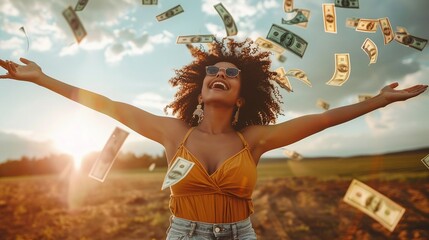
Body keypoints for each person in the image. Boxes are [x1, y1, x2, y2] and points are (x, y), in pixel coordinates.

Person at [0, 38, 427, 239]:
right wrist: (41, 79)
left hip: (242, 235)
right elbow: (105, 103)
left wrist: (380, 100)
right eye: (212, 72)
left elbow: (326, 120)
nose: (219, 75)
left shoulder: (254, 140)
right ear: (199, 90)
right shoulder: (172, 133)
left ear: (242, 97)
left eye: (231, 73)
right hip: (183, 235)